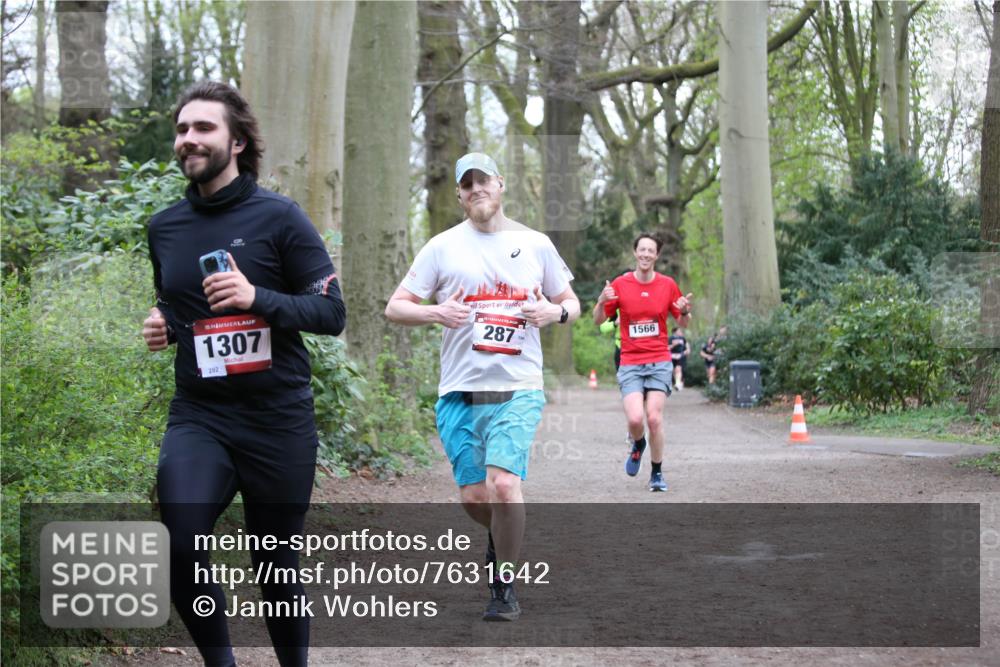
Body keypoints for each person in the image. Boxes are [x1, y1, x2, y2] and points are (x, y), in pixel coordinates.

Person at [141, 81, 345, 667]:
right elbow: (177, 303)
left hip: (277, 420)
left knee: (276, 565)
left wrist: (258, 296)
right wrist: (164, 324)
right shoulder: (165, 227)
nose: (189, 139)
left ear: (237, 141)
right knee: (179, 542)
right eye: (182, 129)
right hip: (201, 416)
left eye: (203, 128)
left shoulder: (280, 217)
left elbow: (332, 314)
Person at [385, 152, 580, 621]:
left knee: (505, 485)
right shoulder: (441, 247)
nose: (477, 190)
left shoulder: (535, 244)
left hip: (518, 386)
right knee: (476, 497)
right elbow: (396, 307)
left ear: (501, 183)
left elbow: (570, 301)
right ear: (459, 193)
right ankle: (502, 539)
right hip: (459, 389)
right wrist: (435, 312)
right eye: (467, 184)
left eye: (483, 181)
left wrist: (554, 313)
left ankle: (504, 585)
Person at [593, 233, 691, 492]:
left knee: (654, 419)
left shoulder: (668, 285)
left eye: (651, 250)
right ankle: (638, 444)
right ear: (635, 253)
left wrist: (684, 311)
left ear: (657, 255)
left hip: (659, 360)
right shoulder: (621, 284)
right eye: (642, 250)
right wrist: (601, 302)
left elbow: (682, 323)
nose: (646, 254)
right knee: (636, 419)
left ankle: (657, 473)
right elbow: (598, 320)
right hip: (631, 361)